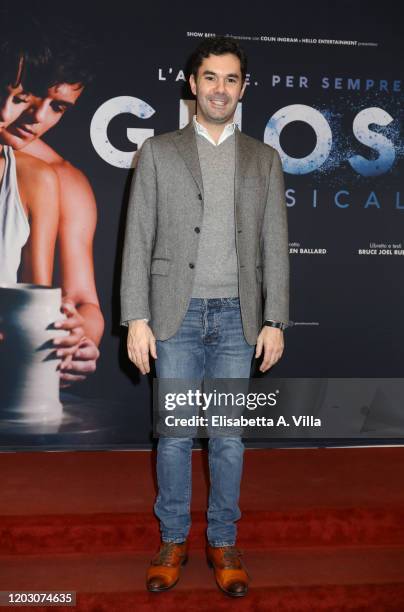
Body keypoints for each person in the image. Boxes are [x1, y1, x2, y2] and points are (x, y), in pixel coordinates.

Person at [121, 37, 289, 597]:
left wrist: (275, 319)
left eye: (232, 79)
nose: (221, 89)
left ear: (243, 87)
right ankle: (173, 539)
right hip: (176, 317)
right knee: (171, 437)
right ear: (192, 85)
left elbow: (274, 246)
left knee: (228, 440)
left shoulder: (264, 159)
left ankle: (222, 539)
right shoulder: (159, 151)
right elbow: (137, 237)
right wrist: (136, 317)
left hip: (238, 322)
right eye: (211, 78)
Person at [0, 19, 104, 384]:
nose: (38, 117)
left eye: (58, 107)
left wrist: (81, 339)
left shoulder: (64, 181)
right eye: (31, 95)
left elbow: (83, 302)